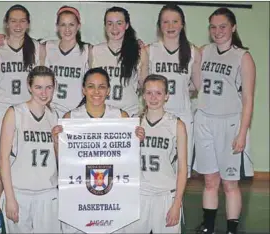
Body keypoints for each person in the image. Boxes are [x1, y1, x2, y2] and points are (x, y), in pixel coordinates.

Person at [51, 67, 145, 233]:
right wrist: (57, 143)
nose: (96, 91)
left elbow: (129, 158)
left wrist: (137, 139)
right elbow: (63, 163)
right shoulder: (70, 118)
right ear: (83, 89)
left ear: (108, 90)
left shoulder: (121, 117)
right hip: (80, 192)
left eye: (101, 86)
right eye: (91, 86)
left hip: (113, 192)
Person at [193, 8, 255, 234]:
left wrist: (242, 133)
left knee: (230, 183)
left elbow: (248, 99)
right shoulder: (203, 51)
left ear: (233, 27)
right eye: (213, 27)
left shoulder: (243, 57)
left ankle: (231, 228)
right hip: (204, 120)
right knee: (210, 180)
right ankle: (208, 225)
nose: (217, 31)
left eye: (223, 26)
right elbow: (194, 85)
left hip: (230, 123)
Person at [0, 4, 40, 233]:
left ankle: (22, 211)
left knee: (22, 166)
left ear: (28, 23)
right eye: (13, 21)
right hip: (0, 110)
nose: (18, 25)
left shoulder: (38, 48)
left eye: (22, 21)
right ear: (6, 23)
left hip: (26, 112)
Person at [117, 74, 188, 233]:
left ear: (167, 96)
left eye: (158, 93)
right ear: (143, 95)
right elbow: (121, 160)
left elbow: (183, 169)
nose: (153, 97)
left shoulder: (177, 125)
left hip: (166, 196)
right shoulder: (133, 123)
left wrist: (177, 203)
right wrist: (133, 141)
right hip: (138, 195)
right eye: (149, 92)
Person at [0, 66, 61, 233]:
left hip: (47, 193)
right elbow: (3, 158)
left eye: (49, 87)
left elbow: (58, 157)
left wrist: (56, 142)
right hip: (20, 193)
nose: (44, 93)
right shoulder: (15, 113)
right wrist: (10, 197)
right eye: (38, 87)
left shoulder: (54, 116)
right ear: (29, 86)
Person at [146, 4, 201, 178]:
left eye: (175, 22)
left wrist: (182, 92)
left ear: (182, 24)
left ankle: (177, 205)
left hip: (182, 117)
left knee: (181, 170)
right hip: (156, 116)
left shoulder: (193, 52)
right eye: (166, 22)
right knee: (156, 169)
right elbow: (143, 84)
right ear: (159, 25)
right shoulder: (149, 51)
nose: (170, 26)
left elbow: (197, 86)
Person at [89, 6, 149, 117]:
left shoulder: (140, 52)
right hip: (101, 114)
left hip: (129, 114)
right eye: (110, 23)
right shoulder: (95, 51)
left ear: (127, 25)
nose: (114, 28)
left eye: (119, 23)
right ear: (105, 26)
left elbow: (144, 86)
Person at [39, 5, 90, 117]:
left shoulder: (88, 50)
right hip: (49, 111)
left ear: (78, 26)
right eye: (63, 25)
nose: (67, 29)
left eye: (71, 24)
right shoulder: (46, 47)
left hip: (76, 113)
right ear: (57, 27)